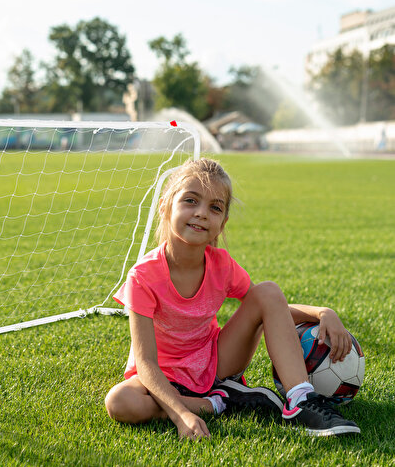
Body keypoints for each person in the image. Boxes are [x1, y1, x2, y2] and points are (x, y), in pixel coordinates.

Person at [105, 158, 360, 439]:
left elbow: (268, 306)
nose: (202, 213)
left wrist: (322, 313)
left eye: (214, 207)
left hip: (215, 363)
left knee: (268, 289)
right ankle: (219, 402)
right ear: (165, 206)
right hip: (160, 375)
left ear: (223, 221)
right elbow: (146, 363)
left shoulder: (222, 265)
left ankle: (300, 400)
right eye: (191, 201)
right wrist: (182, 415)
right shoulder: (143, 276)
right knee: (120, 402)